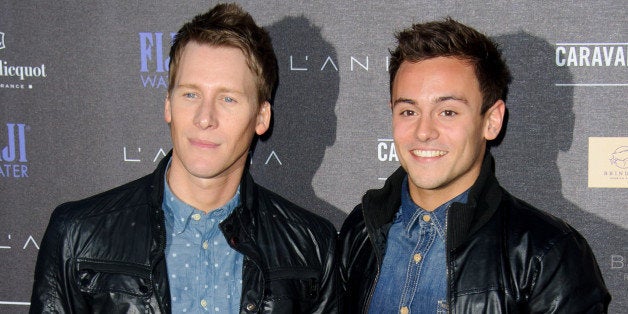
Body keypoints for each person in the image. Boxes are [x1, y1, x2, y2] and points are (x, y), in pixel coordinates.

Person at [30, 3, 338, 313]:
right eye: (190, 94)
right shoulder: (78, 235)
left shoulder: (312, 247)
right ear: (168, 105)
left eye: (228, 99)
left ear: (261, 117)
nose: (205, 118)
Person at [339, 18, 610, 313]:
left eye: (447, 112)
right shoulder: (360, 230)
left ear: (491, 121)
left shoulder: (546, 254)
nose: (423, 131)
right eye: (408, 110)